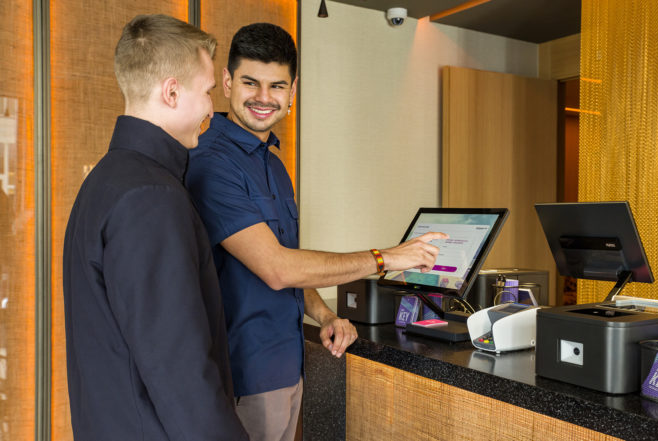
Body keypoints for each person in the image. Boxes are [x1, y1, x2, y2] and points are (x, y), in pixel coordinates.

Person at [186, 23, 445, 441]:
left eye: (277, 85)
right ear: (227, 81)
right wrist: (387, 257)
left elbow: (291, 262)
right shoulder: (212, 163)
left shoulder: (272, 162)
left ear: (293, 91)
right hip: (243, 376)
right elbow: (277, 268)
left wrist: (324, 314)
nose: (264, 98)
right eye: (250, 82)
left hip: (288, 368)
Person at [62, 14, 247, 441]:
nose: (210, 107)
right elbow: (179, 368)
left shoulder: (107, 179)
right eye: (206, 92)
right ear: (171, 91)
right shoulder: (151, 196)